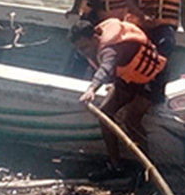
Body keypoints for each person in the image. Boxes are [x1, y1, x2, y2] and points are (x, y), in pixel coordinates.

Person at [70, 18, 167, 181]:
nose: (84, 52)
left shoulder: (109, 48)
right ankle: (115, 166)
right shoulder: (95, 46)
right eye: (79, 50)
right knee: (104, 114)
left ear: (95, 37)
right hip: (128, 79)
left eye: (85, 47)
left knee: (131, 118)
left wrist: (92, 89)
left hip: (152, 78)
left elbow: (106, 68)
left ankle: (147, 169)